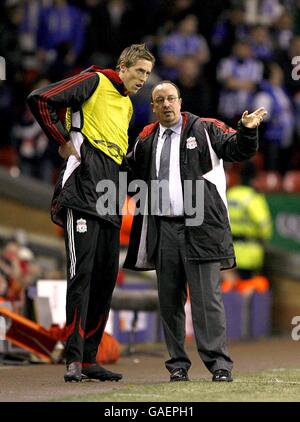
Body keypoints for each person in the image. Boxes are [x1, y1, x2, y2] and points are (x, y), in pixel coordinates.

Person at [27, 44, 155, 382]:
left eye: (147, 73)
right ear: (123, 67)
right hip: (81, 192)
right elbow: (40, 98)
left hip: (110, 199)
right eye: (139, 71)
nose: (143, 79)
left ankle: (88, 359)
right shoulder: (94, 81)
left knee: (104, 281)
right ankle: (71, 360)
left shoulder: (127, 105)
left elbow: (114, 153)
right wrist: (60, 138)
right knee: (80, 276)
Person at [124, 81, 267, 382]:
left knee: (206, 300)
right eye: (159, 100)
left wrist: (248, 129)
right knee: (169, 301)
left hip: (200, 228)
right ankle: (177, 364)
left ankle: (219, 365)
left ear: (180, 101)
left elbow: (237, 149)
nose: (166, 105)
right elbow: (129, 175)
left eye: (171, 99)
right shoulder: (146, 138)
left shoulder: (204, 128)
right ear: (152, 107)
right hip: (163, 228)